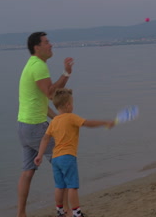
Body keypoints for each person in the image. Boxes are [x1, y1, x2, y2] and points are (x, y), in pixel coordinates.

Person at [17, 32, 74, 217]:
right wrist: (66, 73)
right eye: (47, 42)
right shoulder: (39, 66)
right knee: (64, 164)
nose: (51, 45)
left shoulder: (32, 65)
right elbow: (51, 94)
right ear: (37, 47)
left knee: (27, 172)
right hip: (35, 128)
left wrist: (58, 118)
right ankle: (66, 211)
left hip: (24, 127)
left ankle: (21, 214)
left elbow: (41, 103)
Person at [34, 88, 115, 217]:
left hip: (56, 159)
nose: (73, 106)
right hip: (67, 157)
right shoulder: (71, 117)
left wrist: (39, 155)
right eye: (72, 103)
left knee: (59, 186)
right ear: (67, 105)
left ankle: (60, 212)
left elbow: (45, 138)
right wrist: (105, 122)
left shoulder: (54, 121)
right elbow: (88, 123)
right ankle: (77, 213)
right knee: (72, 186)